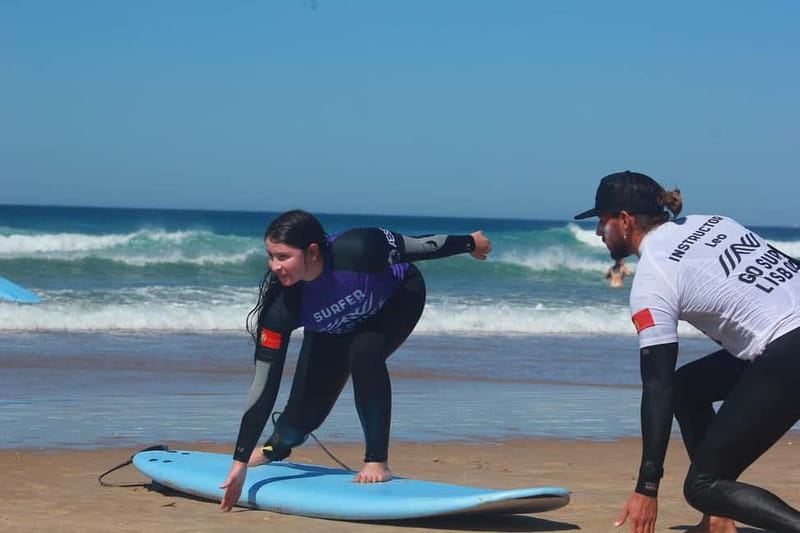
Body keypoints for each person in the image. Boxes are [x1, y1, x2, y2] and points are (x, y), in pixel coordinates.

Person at [220, 209, 491, 512]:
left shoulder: (360, 248)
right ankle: (275, 448)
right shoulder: (284, 308)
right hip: (332, 328)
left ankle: (377, 460)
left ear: (312, 252)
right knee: (298, 424)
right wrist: (240, 461)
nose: (275, 266)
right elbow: (264, 386)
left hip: (397, 300)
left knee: (365, 352)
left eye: (283, 257)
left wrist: (470, 242)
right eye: (270, 257)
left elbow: (421, 246)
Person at [575, 171, 800, 533]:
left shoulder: (654, 278)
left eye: (603, 221)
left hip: (789, 351)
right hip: (785, 344)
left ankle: (714, 500)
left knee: (701, 486)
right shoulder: (715, 223)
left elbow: (657, 386)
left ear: (627, 221)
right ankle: (718, 519)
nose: (600, 232)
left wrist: (647, 486)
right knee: (688, 388)